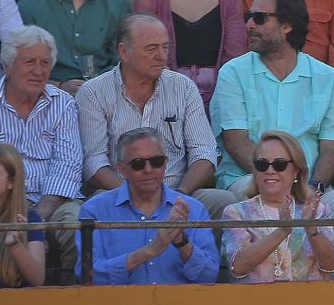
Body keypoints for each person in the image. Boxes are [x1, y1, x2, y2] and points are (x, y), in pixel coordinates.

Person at [213, 0, 334, 263]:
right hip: (250, 180)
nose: (249, 24)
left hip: (307, 186)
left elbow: (331, 149)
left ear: (287, 25)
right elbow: (236, 141)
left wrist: (312, 188)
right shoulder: (232, 73)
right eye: (249, 16)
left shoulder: (329, 79)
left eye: (259, 18)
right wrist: (275, 180)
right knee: (248, 200)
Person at [0, 25, 84, 272]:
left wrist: (36, 218)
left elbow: (67, 167)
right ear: (8, 66)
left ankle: (74, 297)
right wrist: (12, 212)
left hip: (53, 203)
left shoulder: (64, 104)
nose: (38, 71)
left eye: (45, 63)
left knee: (77, 226)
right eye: (29, 62)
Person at [75, 14, 233, 215]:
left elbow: (204, 153)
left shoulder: (183, 87)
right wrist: (133, 198)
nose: (161, 55)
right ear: (124, 52)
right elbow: (94, 163)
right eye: (151, 48)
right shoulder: (93, 92)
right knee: (97, 203)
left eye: (165, 47)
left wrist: (178, 195)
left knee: (224, 202)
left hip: (178, 192)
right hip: (118, 194)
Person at [79, 126, 220, 285]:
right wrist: (148, 251)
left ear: (165, 163)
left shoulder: (193, 209)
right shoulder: (95, 210)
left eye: (156, 162)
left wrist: (182, 242)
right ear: (122, 170)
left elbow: (209, 277)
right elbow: (88, 276)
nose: (148, 170)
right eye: (138, 164)